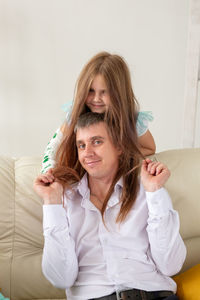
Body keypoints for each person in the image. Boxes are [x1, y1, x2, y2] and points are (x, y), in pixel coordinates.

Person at [34, 112, 186, 300]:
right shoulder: (64, 199)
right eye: (81, 145)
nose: (87, 152)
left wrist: (155, 192)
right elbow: (61, 279)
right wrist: (51, 203)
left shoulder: (146, 189)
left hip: (154, 294)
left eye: (97, 142)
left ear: (119, 147)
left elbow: (171, 265)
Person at [41, 51, 156, 174]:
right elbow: (54, 145)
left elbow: (149, 148)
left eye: (104, 92)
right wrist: (48, 170)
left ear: (119, 93)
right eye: (91, 91)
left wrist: (116, 155)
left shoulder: (132, 121)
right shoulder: (75, 113)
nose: (96, 99)